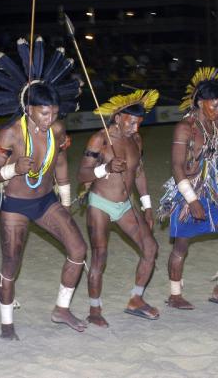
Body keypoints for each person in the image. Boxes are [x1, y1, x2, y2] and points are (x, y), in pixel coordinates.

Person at [0, 36, 87, 340]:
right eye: (43, 112)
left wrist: (65, 203)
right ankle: (6, 323)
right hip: (15, 203)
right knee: (11, 263)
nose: (49, 118)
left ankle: (62, 308)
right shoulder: (10, 134)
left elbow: (63, 165)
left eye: (54, 112)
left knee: (78, 250)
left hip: (45, 200)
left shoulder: (56, 129)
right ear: (29, 108)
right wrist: (14, 168)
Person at [158, 67, 218, 309]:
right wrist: (191, 200)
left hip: (212, 190)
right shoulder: (185, 128)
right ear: (200, 102)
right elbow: (177, 167)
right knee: (181, 246)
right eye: (215, 105)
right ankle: (175, 295)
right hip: (187, 192)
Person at [77, 89, 160, 327]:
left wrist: (147, 205)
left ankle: (136, 299)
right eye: (131, 122)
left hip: (126, 205)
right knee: (100, 256)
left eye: (139, 123)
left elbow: (139, 172)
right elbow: (82, 176)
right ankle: (94, 309)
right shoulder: (99, 140)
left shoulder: (135, 139)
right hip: (100, 203)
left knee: (150, 248)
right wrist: (106, 168)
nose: (135, 128)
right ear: (117, 117)